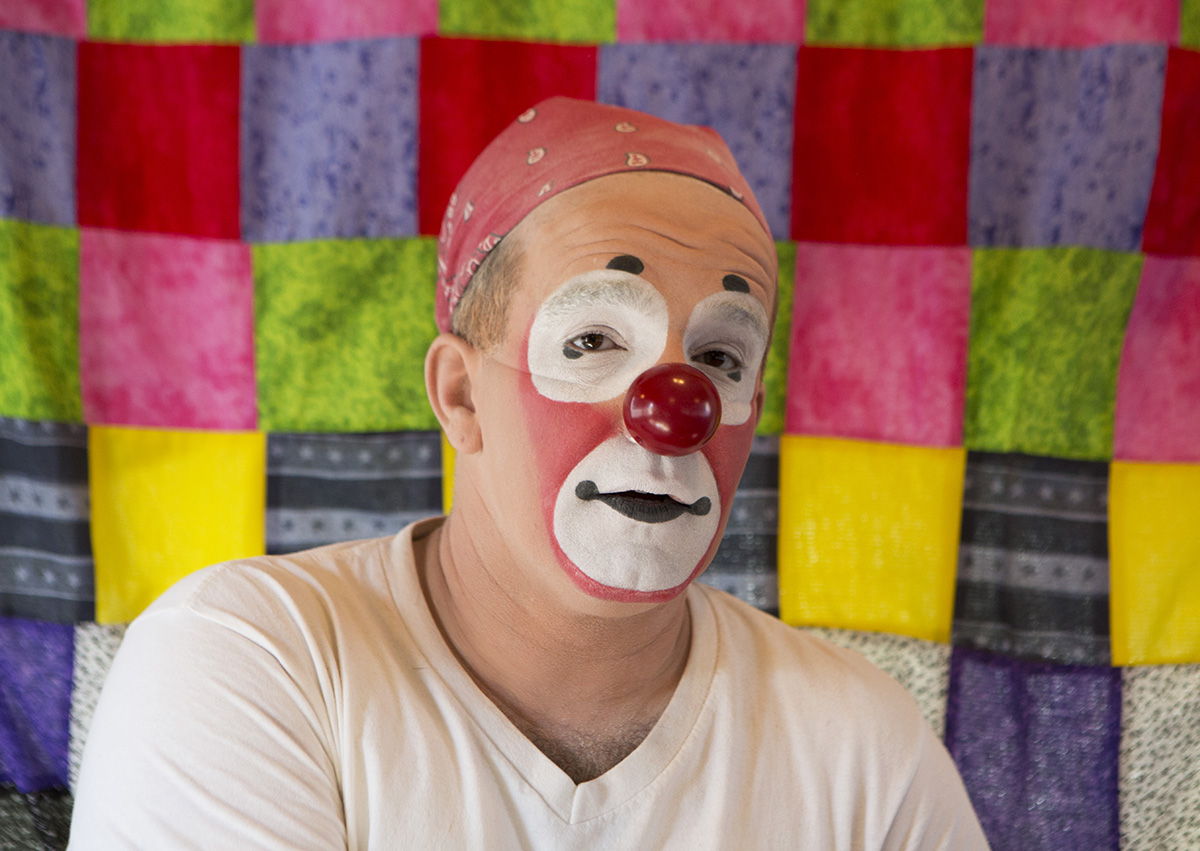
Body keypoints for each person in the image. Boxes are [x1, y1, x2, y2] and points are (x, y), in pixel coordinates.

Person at [70, 98, 989, 849]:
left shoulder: (862, 747)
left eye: (719, 356)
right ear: (460, 395)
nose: (673, 409)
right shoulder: (254, 665)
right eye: (593, 340)